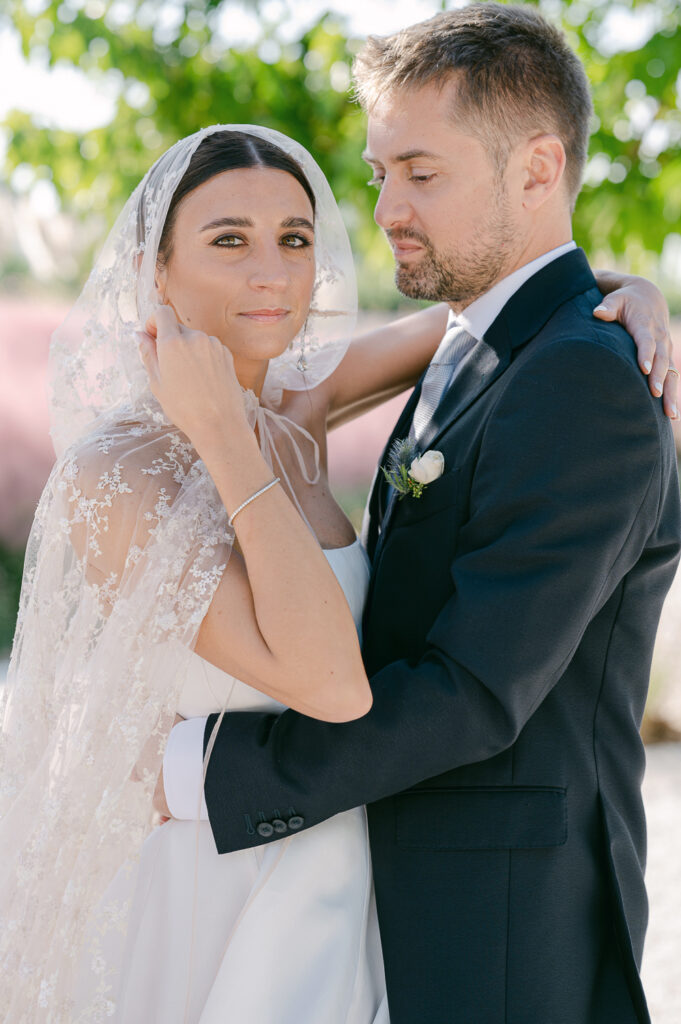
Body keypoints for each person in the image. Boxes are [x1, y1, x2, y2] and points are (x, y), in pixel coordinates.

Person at [0, 124, 674, 1024]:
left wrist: (626, 290)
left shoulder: (293, 412)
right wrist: (227, 446)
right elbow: (330, 683)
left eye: (295, 237)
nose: (271, 271)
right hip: (211, 895)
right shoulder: (119, 475)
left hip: (345, 887)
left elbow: (499, 311)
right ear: (153, 269)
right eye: (227, 239)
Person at [160, 8, 681, 1024]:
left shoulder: (581, 381)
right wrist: (622, 284)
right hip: (391, 898)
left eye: (422, 173)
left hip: (498, 934)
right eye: (381, 169)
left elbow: (474, 693)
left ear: (538, 171)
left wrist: (197, 771)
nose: (388, 205)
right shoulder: (484, 341)